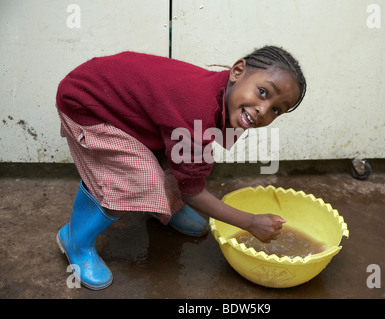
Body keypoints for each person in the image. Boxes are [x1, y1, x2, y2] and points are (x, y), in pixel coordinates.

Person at [55, 45, 307, 290]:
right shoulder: (197, 107)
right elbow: (192, 190)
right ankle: (75, 240)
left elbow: (196, 160)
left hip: (126, 110)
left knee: (187, 160)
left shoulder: (226, 94)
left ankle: (163, 206)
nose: (263, 111)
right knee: (135, 179)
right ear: (238, 71)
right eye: (263, 92)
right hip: (87, 104)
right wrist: (250, 222)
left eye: (276, 109)